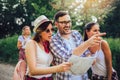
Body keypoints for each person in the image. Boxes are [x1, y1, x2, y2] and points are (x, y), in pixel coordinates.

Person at [49, 11, 106, 80]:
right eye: (63, 22)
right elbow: (67, 58)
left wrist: (90, 58)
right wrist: (87, 43)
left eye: (69, 21)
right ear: (56, 24)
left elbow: (85, 52)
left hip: (83, 77)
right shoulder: (53, 40)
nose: (67, 25)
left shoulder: (76, 34)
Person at [25, 15, 72, 80]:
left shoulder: (48, 44)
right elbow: (32, 71)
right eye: (47, 31)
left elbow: (56, 62)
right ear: (40, 32)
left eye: (52, 29)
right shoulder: (31, 43)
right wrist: (57, 68)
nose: (51, 33)